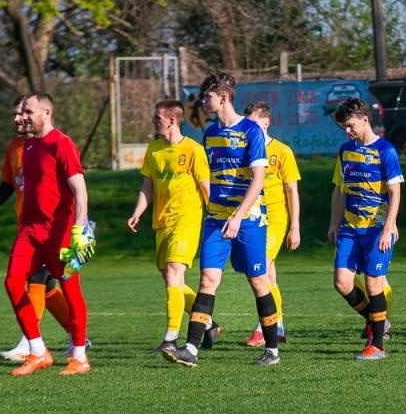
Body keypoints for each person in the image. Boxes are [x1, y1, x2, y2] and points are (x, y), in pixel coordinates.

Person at [167, 73, 281, 367]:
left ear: (223, 97)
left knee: (259, 282)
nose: (203, 101)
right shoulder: (210, 134)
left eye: (207, 96)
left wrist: (238, 217)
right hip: (216, 219)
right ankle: (191, 349)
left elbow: (258, 180)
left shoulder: (251, 131)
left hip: (249, 219)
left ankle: (272, 349)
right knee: (207, 279)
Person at [0, 99, 75, 362]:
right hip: (27, 227)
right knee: (46, 285)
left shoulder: (54, 144)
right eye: (15, 114)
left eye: (23, 113)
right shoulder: (15, 148)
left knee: (36, 279)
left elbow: (73, 184)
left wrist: (79, 222)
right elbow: (8, 184)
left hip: (53, 229)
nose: (18, 119)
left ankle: (30, 344)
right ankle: (76, 335)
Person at [3, 92, 93, 375]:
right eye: (22, 112)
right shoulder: (28, 146)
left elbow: (80, 191)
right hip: (30, 230)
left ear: (46, 113)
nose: (23, 117)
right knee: (12, 283)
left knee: (71, 289)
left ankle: (79, 357)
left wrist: (79, 232)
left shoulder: (62, 144)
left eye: (28, 112)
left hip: (59, 232)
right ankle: (38, 351)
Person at [127, 99, 209, 353]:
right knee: (171, 279)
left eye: (158, 118)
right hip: (161, 222)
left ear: (172, 120)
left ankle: (170, 339)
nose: (154, 121)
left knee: (174, 273)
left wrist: (218, 218)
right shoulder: (154, 150)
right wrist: (137, 212)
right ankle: (209, 324)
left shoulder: (194, 150)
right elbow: (147, 186)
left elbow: (206, 187)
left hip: (187, 220)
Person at [329, 99, 403, 360]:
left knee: (373, 284)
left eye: (350, 125)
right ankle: (377, 321)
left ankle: (377, 345)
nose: (348, 131)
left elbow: (395, 192)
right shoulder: (345, 151)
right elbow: (340, 190)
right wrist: (334, 223)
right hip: (350, 227)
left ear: (364, 120)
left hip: (376, 228)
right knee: (342, 282)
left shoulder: (385, 151)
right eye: (344, 127)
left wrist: (388, 227)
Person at [242, 102, 302, 347]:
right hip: (253, 217)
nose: (249, 128)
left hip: (275, 218)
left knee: (260, 270)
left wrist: (295, 226)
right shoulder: (244, 151)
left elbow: (292, 190)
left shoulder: (282, 151)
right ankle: (277, 326)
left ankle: (264, 327)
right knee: (267, 274)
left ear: (266, 122)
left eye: (253, 123)